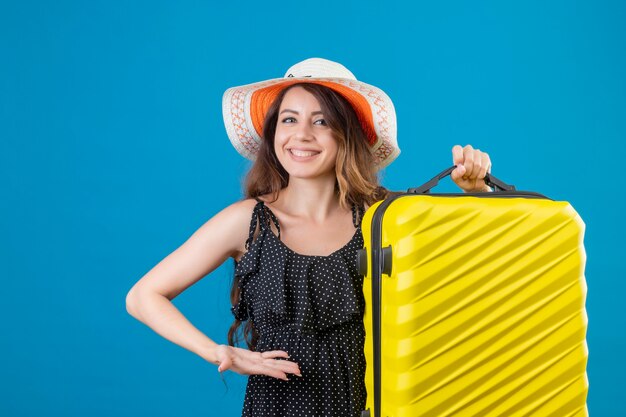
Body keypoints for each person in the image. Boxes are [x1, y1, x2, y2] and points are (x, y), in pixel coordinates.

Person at [125, 58, 493, 417]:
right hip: (276, 407)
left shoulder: (384, 217)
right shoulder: (247, 221)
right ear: (274, 133)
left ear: (347, 135)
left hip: (374, 404)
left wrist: (477, 194)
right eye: (289, 119)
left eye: (322, 121)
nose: (302, 135)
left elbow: (477, 279)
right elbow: (143, 296)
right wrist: (220, 352)